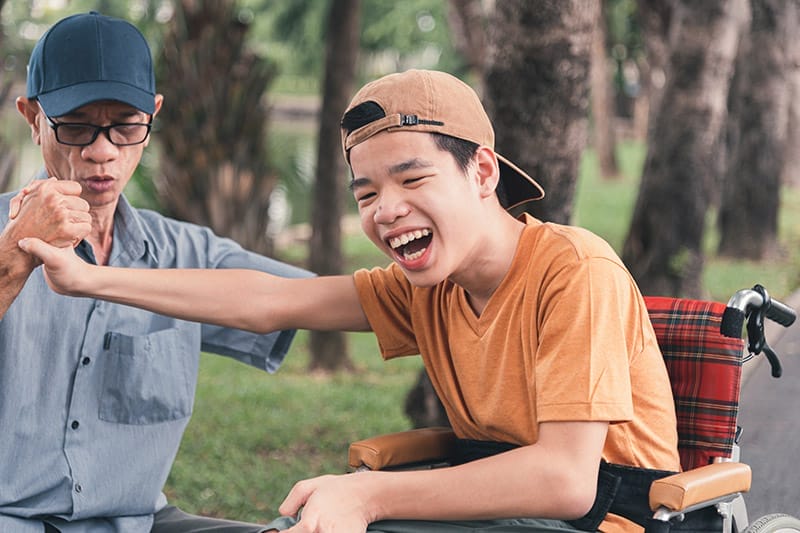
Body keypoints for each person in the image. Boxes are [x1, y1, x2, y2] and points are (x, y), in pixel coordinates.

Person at [19, 69, 682, 533]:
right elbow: (269, 301)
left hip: (604, 519)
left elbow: (566, 480)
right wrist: (88, 279)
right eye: (365, 193)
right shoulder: (429, 286)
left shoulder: (574, 271)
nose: (388, 211)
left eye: (412, 176)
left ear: (482, 171)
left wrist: (366, 492)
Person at [1, 11, 311, 533]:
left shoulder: (189, 252)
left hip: (142, 522)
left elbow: (344, 300)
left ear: (153, 117)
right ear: (32, 118)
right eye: (75, 126)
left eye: (125, 126)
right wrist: (16, 253)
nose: (102, 152)